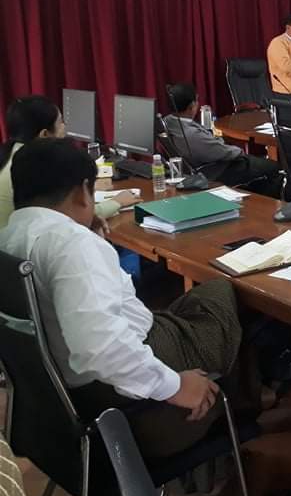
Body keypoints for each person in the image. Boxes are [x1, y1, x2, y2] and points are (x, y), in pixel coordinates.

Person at [0, 139, 250, 459]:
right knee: (222, 290)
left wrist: (88, 236)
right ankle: (241, 412)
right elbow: (99, 347)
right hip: (120, 392)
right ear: (82, 192)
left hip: (61, 401)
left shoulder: (10, 238)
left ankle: (242, 401)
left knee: (190, 302)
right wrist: (174, 386)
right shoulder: (70, 244)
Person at [0, 96, 139, 229]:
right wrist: (117, 202)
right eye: (61, 122)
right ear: (45, 135)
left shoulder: (11, 155)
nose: (65, 126)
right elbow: (70, 216)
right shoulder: (34, 166)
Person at [164, 83, 283, 199]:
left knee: (260, 166)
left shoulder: (168, 121)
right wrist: (239, 151)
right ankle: (265, 205)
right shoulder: (192, 134)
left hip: (200, 165)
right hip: (214, 171)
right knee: (274, 167)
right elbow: (224, 153)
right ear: (191, 106)